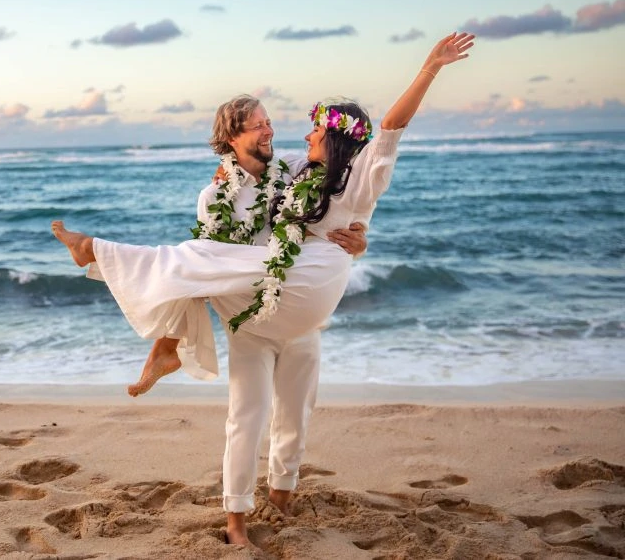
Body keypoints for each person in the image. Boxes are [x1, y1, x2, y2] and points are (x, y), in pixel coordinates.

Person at [52, 31, 474, 545]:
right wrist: (231, 169)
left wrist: (430, 67)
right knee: (242, 405)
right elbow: (223, 237)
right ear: (234, 138)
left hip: (304, 297)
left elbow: (389, 128)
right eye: (263, 125)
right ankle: (235, 519)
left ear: (335, 138)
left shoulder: (360, 177)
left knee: (295, 412)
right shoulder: (271, 178)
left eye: (311, 130)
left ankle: (281, 497)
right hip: (255, 312)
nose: (295, 136)